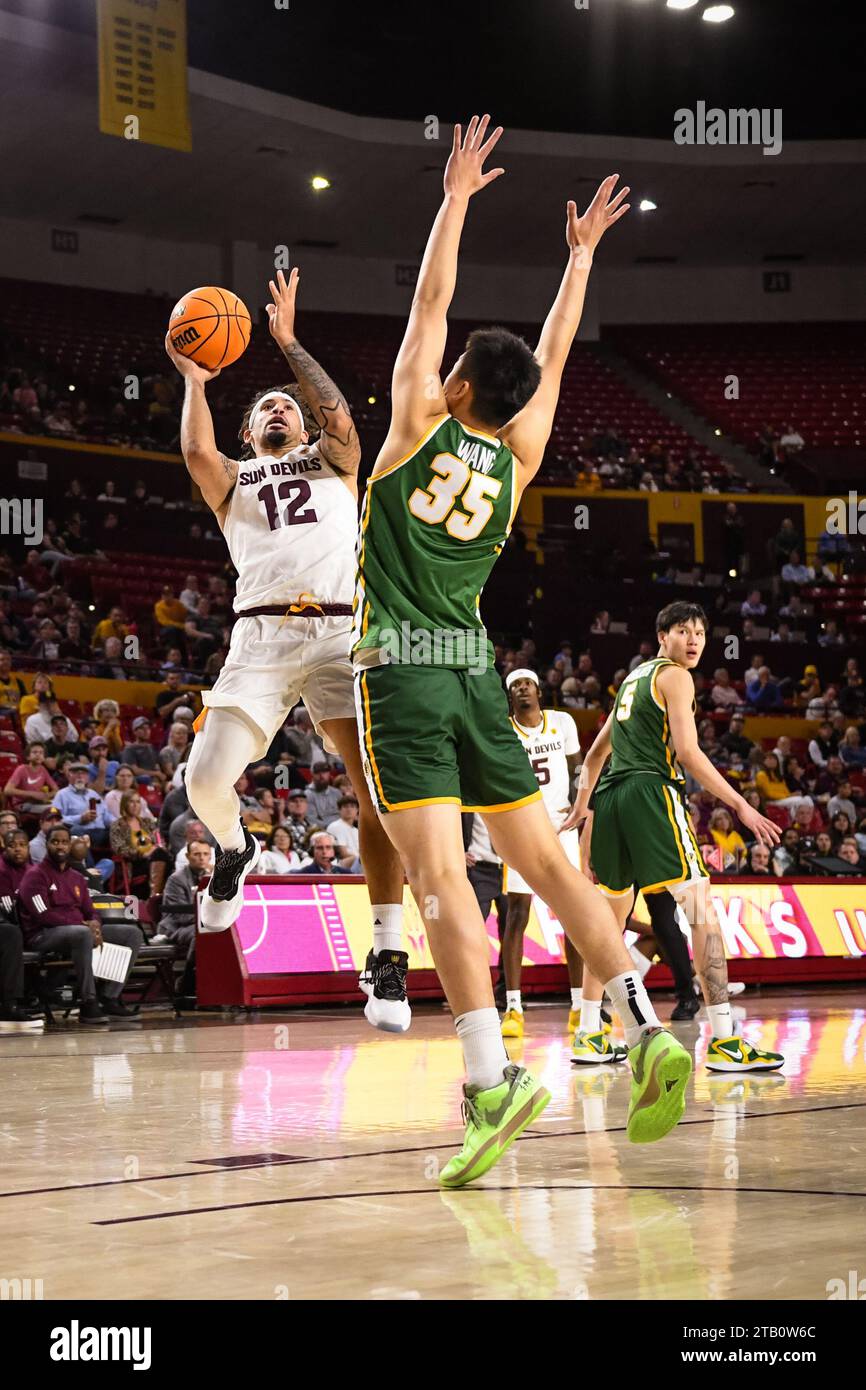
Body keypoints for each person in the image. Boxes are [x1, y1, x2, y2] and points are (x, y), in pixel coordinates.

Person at [351, 116, 690, 1187]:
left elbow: (428, 303)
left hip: (401, 670)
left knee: (441, 877)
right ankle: (642, 1026)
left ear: (453, 386)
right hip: (471, 667)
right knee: (544, 862)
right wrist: (578, 258)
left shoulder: (412, 427)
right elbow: (542, 364)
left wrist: (454, 199)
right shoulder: (519, 456)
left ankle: (491, 1078)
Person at [165, 258, 407, 1033]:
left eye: (286, 407)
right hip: (260, 634)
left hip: (341, 630)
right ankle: (235, 853)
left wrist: (289, 344)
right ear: (250, 432)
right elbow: (198, 456)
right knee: (203, 784)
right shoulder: (234, 478)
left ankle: (389, 954)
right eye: (263, 408)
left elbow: (341, 418)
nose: (277, 411)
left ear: (301, 424)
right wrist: (196, 380)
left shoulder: (335, 461)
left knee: (377, 792)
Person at [565, 601, 784, 1074]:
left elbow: (593, 756)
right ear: (662, 636)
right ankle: (726, 1040)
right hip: (650, 793)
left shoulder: (631, 679)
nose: (694, 640)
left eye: (701, 633)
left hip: (611, 800)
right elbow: (686, 752)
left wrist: (586, 805)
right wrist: (741, 805)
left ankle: (587, 1033)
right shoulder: (677, 677)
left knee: (607, 923)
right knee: (702, 909)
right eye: (683, 631)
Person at [496, 669, 588, 1046]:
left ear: (537, 689)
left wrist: (583, 808)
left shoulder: (562, 722)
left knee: (573, 915)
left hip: (562, 828)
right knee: (517, 914)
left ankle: (580, 1005)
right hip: (523, 829)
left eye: (527, 684)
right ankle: (514, 1008)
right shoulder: (503, 731)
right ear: (510, 695)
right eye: (515, 685)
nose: (521, 689)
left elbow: (578, 767)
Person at [17, 825, 143, 1022]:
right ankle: (88, 1002)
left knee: (131, 934)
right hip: (42, 934)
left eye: (64, 842)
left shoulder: (76, 877)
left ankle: (109, 997)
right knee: (81, 933)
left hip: (79, 930)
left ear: (70, 845)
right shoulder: (35, 875)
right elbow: (43, 915)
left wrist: (95, 923)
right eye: (55, 842)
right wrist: (85, 925)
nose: (60, 846)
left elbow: (90, 909)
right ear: (47, 844)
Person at [159, 839, 213, 992]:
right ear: (188, 857)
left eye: (205, 854)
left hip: (203, 924)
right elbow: (179, 915)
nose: (201, 858)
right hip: (176, 926)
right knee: (202, 936)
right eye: (197, 854)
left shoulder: (214, 877)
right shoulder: (176, 879)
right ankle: (188, 983)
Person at [109, 792, 170, 897]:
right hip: (134, 863)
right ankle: (155, 896)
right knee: (162, 857)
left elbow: (159, 840)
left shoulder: (148, 822)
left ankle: (154, 894)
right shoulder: (117, 826)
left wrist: (155, 848)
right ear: (124, 804)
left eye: (137, 802)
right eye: (131, 802)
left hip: (155, 857)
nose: (135, 805)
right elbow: (119, 848)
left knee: (161, 854)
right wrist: (141, 854)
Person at [52, 762, 116, 847]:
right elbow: (56, 819)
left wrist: (118, 822)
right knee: (76, 831)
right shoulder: (62, 795)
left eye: (84, 773)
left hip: (101, 832)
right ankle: (87, 860)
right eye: (75, 773)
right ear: (68, 776)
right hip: (82, 832)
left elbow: (106, 815)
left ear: (88, 778)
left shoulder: (94, 794)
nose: (80, 776)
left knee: (121, 829)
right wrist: (80, 818)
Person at [3, 742, 58, 816]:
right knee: (51, 810)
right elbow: (7, 790)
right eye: (35, 752)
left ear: (44, 757)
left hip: (37, 802)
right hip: (23, 804)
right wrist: (32, 794)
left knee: (60, 806)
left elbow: (56, 789)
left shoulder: (43, 769)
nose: (38, 754)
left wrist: (47, 796)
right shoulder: (21, 769)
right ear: (28, 757)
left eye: (41, 753)